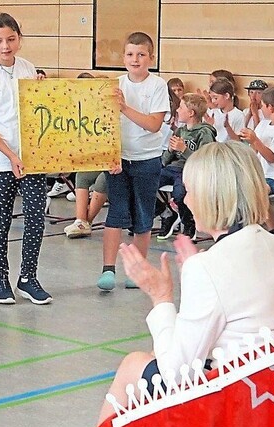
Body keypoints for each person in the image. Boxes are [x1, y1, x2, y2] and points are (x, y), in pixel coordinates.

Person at [97, 141, 274, 425]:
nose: (184, 201)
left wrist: (161, 297)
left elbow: (176, 373)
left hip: (237, 400)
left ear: (210, 196)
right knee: (154, 354)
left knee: (134, 365)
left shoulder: (208, 267)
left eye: (189, 191)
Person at [0, 13, 52, 305]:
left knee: (35, 217)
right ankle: (0, 279)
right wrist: (10, 155)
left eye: (10, 39)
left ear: (19, 39)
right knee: (1, 219)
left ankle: (28, 278)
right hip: (1, 159)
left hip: (32, 157)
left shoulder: (28, 68)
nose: (5, 46)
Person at [96, 32, 170, 292]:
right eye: (129, 54)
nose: (135, 59)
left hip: (147, 160)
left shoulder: (158, 86)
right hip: (118, 160)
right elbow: (103, 125)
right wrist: (109, 155)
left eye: (141, 54)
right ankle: (108, 269)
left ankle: (137, 270)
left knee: (143, 215)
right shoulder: (114, 84)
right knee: (115, 213)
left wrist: (125, 108)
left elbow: (153, 124)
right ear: (123, 57)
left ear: (151, 57)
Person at [157, 93, 216, 240]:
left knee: (180, 193)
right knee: (144, 184)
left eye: (181, 107)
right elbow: (165, 160)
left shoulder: (205, 133)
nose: (177, 110)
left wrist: (184, 150)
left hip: (189, 171)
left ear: (191, 113)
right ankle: (165, 213)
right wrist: (170, 150)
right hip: (173, 168)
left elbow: (204, 161)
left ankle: (188, 222)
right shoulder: (180, 130)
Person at [239, 85, 274, 233]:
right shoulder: (263, 125)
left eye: (262, 105)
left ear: (271, 108)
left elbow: (271, 157)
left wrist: (255, 140)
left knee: (259, 189)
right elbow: (254, 151)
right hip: (258, 173)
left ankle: (272, 228)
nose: (260, 108)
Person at [207, 77, 244, 142]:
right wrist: (209, 126)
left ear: (227, 96)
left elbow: (238, 141)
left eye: (215, 98)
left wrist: (227, 127)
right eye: (211, 98)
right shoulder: (213, 113)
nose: (213, 101)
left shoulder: (238, 115)